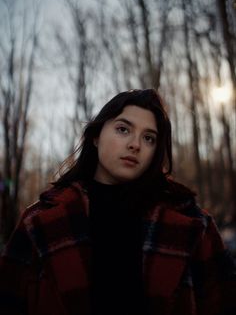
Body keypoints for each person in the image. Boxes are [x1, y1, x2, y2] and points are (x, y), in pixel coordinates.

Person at [0, 88, 235, 315]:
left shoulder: (192, 224)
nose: (136, 144)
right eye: (123, 129)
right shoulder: (40, 222)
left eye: (149, 138)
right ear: (95, 136)